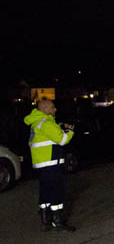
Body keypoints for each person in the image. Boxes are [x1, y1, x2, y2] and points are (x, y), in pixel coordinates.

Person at [24, 99, 76, 232]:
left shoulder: (38, 123)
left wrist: (58, 126)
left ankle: (45, 220)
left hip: (43, 165)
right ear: (45, 109)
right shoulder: (46, 123)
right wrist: (70, 132)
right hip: (51, 163)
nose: (55, 109)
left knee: (45, 191)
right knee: (56, 192)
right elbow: (62, 140)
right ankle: (57, 222)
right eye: (52, 107)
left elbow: (49, 134)